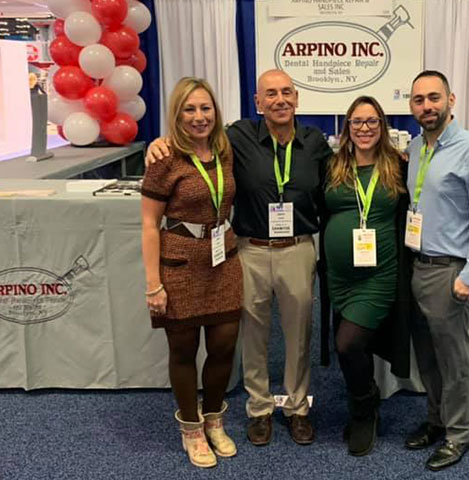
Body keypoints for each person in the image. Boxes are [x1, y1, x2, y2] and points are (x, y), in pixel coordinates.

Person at [145, 69, 333, 446]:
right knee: (253, 334)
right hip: (250, 249)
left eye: (286, 92)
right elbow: (194, 136)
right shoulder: (237, 137)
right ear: (257, 102)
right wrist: (158, 142)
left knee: (299, 334)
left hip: (297, 248)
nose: (280, 100)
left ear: (297, 98)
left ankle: (297, 408)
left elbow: (339, 178)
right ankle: (259, 408)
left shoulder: (315, 142)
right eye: (270, 94)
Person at [141, 77, 242, 468]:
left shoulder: (224, 150)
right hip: (180, 263)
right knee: (183, 350)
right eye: (190, 109)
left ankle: (214, 418)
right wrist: (154, 285)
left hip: (223, 260)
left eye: (205, 108)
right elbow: (149, 225)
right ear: (177, 114)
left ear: (215, 111)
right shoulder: (164, 158)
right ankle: (191, 428)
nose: (199, 117)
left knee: (224, 346)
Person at [403, 70, 469, 471]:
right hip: (418, 265)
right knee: (427, 357)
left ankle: (460, 434)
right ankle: (436, 420)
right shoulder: (415, 148)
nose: (427, 106)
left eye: (434, 98)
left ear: (451, 100)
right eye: (419, 100)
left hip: (450, 271)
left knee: (453, 360)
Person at [324, 96, 407, 456]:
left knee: (348, 344)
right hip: (339, 278)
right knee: (347, 347)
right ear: (348, 127)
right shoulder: (331, 165)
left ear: (382, 126)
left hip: (379, 275)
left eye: (372, 121)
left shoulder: (398, 165)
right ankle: (362, 400)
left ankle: (364, 409)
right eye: (357, 121)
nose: (364, 128)